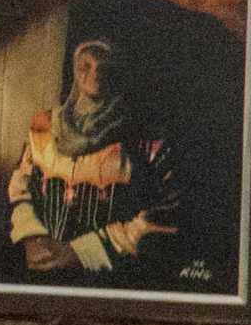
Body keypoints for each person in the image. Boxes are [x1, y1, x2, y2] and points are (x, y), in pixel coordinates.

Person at [9, 37, 180, 279]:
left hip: (113, 272)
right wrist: (33, 238)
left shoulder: (145, 138)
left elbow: (165, 212)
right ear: (75, 72)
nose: (95, 74)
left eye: (105, 68)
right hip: (45, 265)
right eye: (85, 66)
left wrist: (81, 253)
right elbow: (21, 187)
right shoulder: (45, 127)